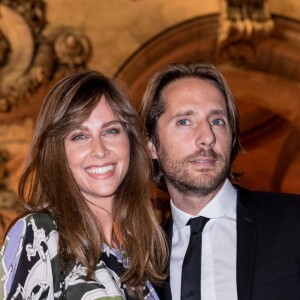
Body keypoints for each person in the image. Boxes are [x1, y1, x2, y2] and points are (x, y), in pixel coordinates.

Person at [0, 70, 168, 299]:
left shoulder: (145, 249)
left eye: (111, 131)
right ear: (58, 151)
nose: (100, 150)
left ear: (130, 141)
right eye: (80, 136)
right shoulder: (40, 235)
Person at [140, 62, 300, 300]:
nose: (207, 137)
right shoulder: (143, 262)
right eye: (184, 121)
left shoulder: (293, 221)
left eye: (217, 121)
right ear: (152, 144)